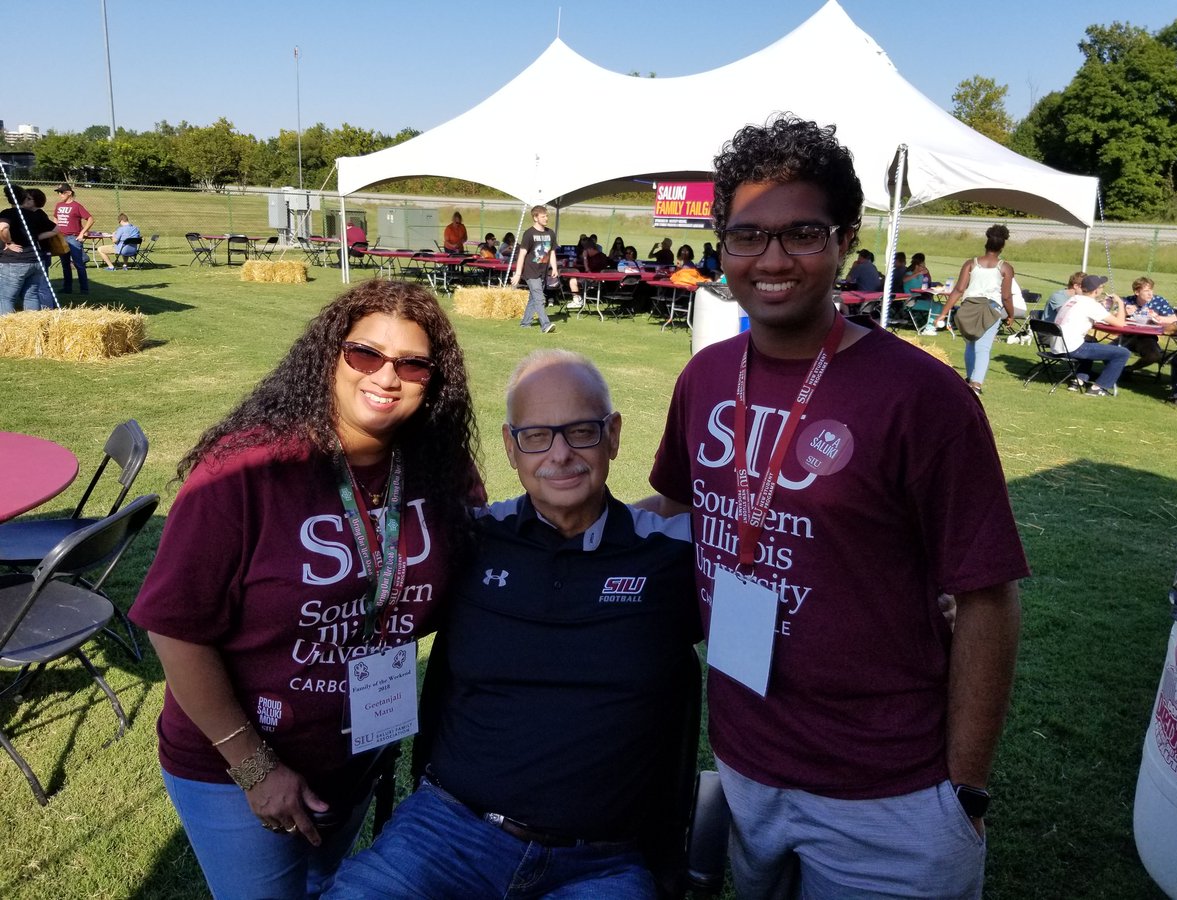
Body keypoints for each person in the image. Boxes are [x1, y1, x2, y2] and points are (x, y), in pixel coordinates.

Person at [643, 114, 1027, 900]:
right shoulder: (706, 377)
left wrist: (964, 790)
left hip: (887, 792)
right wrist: (547, 523)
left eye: (802, 233)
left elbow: (988, 597)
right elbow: (676, 506)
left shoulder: (923, 397)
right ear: (722, 244)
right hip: (745, 761)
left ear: (846, 239)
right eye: (747, 235)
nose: (772, 259)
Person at [128, 280, 482, 900]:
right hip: (236, 764)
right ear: (329, 357)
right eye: (365, 354)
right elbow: (176, 628)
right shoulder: (247, 468)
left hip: (358, 749)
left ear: (433, 382)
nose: (386, 376)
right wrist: (255, 767)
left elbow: (469, 570)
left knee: (324, 886)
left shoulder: (441, 469)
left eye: (412, 364)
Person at [326, 350, 698, 899]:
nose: (560, 455)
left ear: (614, 436)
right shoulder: (468, 541)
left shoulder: (673, 556)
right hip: (446, 833)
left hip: (601, 863)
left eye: (582, 432)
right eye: (536, 436)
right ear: (510, 446)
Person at [936, 225, 1016, 395]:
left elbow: (959, 289)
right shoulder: (1005, 268)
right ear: (1002, 246)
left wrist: (943, 313)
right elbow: (1006, 297)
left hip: (968, 307)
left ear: (986, 243)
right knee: (983, 347)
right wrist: (1011, 315)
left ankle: (970, 378)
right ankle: (976, 384)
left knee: (970, 344)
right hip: (990, 309)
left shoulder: (970, 264)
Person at [1053, 274, 1131, 397]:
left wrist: (1105, 305)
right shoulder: (1091, 304)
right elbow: (1120, 324)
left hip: (1057, 346)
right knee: (1123, 353)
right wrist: (1121, 303)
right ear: (1096, 290)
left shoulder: (1073, 299)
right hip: (1072, 348)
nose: (1103, 290)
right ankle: (1098, 387)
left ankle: (1078, 380)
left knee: (1091, 343)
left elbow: (1094, 315)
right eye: (1102, 287)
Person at [0, 184, 59, 314]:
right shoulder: (35, 214)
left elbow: (3, 228)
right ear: (24, 199)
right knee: (31, 296)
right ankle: (34, 325)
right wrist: (36, 238)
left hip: (15, 261)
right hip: (36, 260)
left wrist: (9, 242)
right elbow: (56, 229)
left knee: (6, 298)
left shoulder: (7, 213)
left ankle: (7, 325)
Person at [510, 205, 558, 334]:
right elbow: (522, 254)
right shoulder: (529, 234)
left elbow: (552, 252)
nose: (546, 218)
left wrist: (554, 267)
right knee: (540, 298)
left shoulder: (550, 233)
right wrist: (518, 274)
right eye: (543, 216)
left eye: (546, 216)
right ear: (535, 218)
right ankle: (545, 325)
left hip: (542, 271)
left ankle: (525, 323)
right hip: (530, 272)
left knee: (533, 298)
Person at [1121, 276, 1177, 370]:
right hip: (1126, 336)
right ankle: (1116, 372)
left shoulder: (1159, 301)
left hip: (1146, 337)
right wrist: (1125, 313)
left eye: (1151, 290)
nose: (1150, 293)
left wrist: (1158, 318)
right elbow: (1113, 316)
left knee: (1154, 356)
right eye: (1147, 291)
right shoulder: (1128, 301)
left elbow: (1174, 318)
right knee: (1108, 352)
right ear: (1137, 292)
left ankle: (1129, 369)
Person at [52, 183, 93, 295]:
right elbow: (55, 218)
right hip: (61, 238)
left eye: (62, 192)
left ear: (69, 193)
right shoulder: (58, 205)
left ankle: (84, 289)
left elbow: (90, 219)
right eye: (58, 192)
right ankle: (67, 288)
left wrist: (82, 233)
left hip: (73, 238)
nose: (60, 194)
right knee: (65, 265)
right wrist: (55, 232)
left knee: (79, 264)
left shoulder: (77, 206)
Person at [27, 188, 56, 309]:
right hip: (34, 253)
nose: (25, 200)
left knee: (42, 284)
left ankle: (47, 309)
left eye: (29, 198)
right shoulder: (28, 214)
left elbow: (55, 229)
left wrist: (37, 237)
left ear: (36, 201)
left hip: (42, 252)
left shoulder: (39, 214)